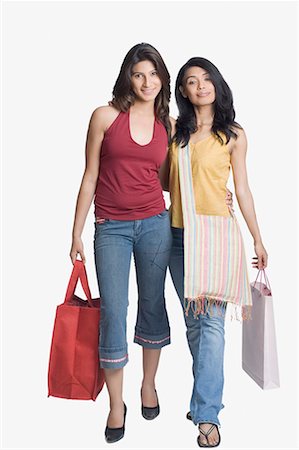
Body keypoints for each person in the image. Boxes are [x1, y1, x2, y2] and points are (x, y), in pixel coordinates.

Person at [69, 43, 173, 443]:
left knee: (152, 303)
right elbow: (89, 175)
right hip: (110, 226)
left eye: (153, 74)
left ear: (162, 78)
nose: (147, 82)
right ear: (127, 77)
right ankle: (116, 403)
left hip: (154, 224)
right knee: (114, 310)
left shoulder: (167, 124)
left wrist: (220, 195)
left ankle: (148, 384)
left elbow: (166, 182)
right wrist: (76, 230)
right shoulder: (104, 116)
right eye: (139, 74)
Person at [164, 57, 268, 448]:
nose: (200, 86)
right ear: (184, 92)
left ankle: (207, 414)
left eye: (206, 79)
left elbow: (241, 189)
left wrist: (258, 238)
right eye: (191, 82)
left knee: (211, 325)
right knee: (195, 324)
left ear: (217, 84)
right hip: (176, 236)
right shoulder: (174, 131)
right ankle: (202, 398)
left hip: (217, 237)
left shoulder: (234, 135)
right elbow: (162, 179)